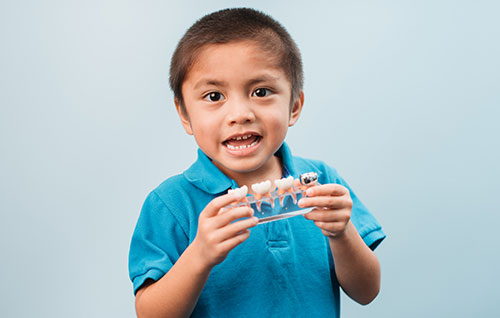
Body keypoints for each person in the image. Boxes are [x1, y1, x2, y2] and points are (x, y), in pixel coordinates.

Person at [129, 7, 386, 318]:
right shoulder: (169, 204)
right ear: (184, 114)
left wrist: (342, 233)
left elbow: (367, 291)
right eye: (214, 96)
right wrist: (199, 255)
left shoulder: (322, 181)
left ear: (294, 105)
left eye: (261, 92)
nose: (240, 114)